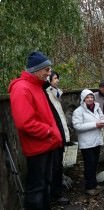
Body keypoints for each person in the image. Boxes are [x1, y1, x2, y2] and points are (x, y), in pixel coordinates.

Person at [8, 51, 62, 210]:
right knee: (36, 190)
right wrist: (49, 132)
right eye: (46, 69)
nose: (49, 73)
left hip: (46, 145)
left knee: (44, 186)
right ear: (36, 69)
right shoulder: (22, 88)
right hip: (38, 147)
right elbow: (25, 123)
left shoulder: (36, 86)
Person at [44, 71, 71, 205]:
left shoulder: (55, 93)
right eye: (55, 78)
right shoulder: (47, 93)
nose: (57, 80)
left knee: (58, 166)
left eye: (57, 78)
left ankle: (57, 192)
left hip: (59, 135)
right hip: (53, 136)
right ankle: (55, 194)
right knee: (54, 167)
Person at [72, 89, 104, 196]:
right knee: (89, 165)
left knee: (95, 164)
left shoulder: (97, 107)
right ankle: (89, 187)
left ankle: (94, 184)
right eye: (88, 97)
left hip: (96, 141)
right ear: (83, 99)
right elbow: (77, 126)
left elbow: (102, 118)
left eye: (91, 97)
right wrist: (95, 125)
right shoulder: (78, 111)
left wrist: (102, 122)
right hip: (86, 143)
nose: (90, 99)